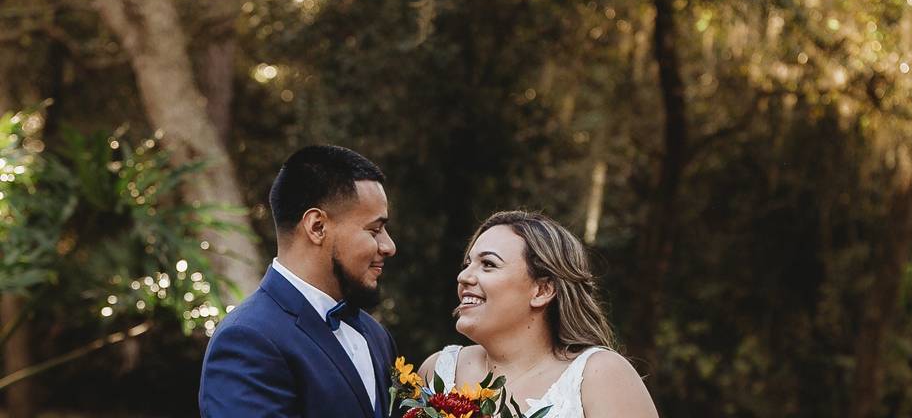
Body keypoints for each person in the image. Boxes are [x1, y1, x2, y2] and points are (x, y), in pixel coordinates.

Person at [199, 145, 398, 418]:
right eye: (374, 230)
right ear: (317, 227)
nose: (389, 246)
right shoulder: (247, 339)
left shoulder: (376, 335)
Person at [418, 211, 658, 418]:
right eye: (466, 264)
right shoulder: (437, 370)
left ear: (543, 290)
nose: (464, 277)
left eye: (488, 264)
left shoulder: (599, 375)